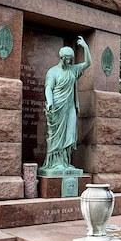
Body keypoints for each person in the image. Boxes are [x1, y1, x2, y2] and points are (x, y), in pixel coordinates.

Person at [40, 36, 91, 173]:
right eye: (68, 59)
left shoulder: (73, 70)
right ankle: (55, 163)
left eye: (71, 59)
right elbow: (48, 88)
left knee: (70, 134)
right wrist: (50, 102)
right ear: (62, 57)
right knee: (56, 135)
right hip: (57, 106)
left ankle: (65, 162)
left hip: (69, 107)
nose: (70, 61)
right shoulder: (53, 72)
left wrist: (85, 47)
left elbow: (87, 63)